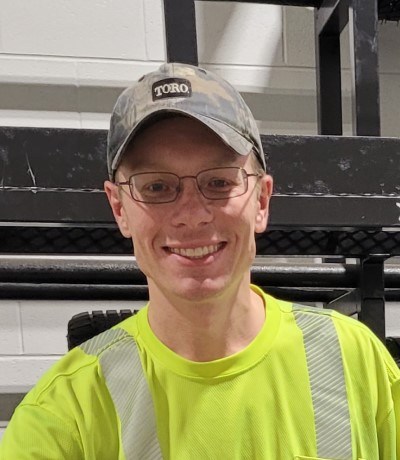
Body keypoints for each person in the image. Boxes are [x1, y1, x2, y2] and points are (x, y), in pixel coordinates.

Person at [0, 62, 399, 460]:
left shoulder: (356, 361)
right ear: (119, 208)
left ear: (261, 201)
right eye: (156, 186)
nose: (192, 213)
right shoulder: (63, 412)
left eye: (219, 182)